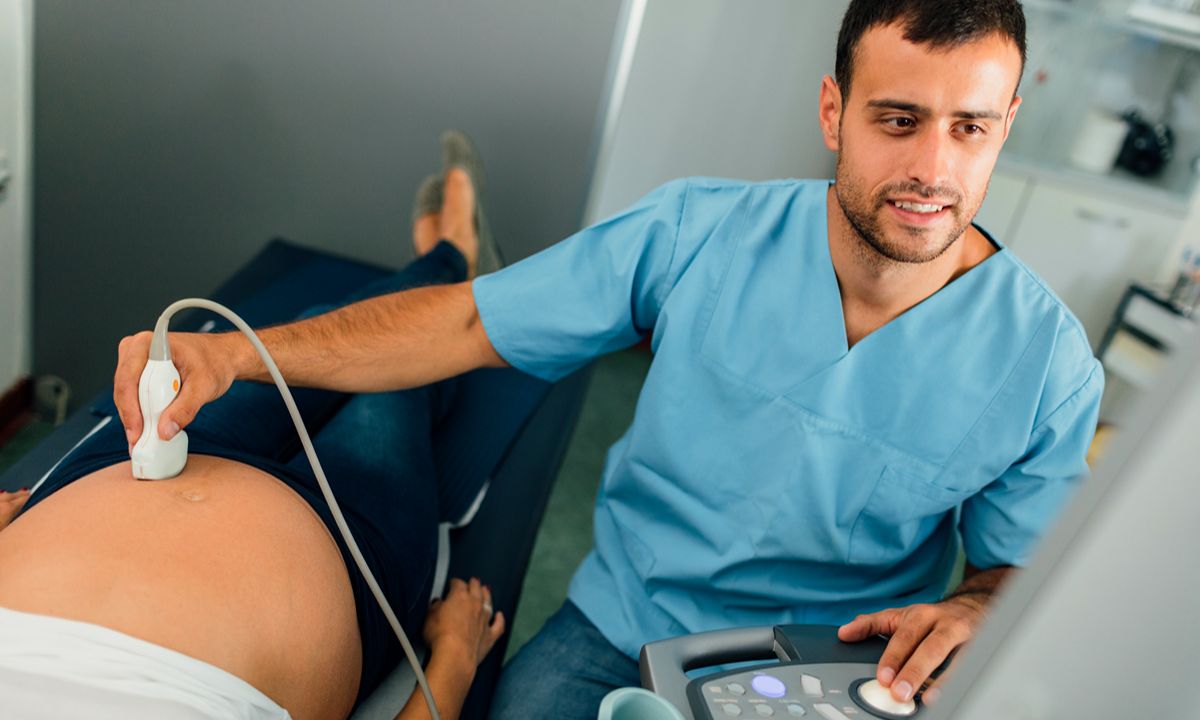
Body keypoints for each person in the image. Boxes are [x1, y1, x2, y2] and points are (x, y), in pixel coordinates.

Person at [114, 2, 1104, 717]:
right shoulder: (695, 234)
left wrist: (978, 610)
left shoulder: (1047, 366)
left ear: (1006, 126)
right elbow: (464, 327)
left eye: (969, 128)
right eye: (899, 121)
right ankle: (452, 232)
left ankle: (449, 225)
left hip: (835, 668)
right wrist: (239, 355)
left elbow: (1015, 572)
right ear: (833, 112)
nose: (934, 168)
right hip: (630, 616)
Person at [0, 150, 506, 720]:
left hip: (140, 454)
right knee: (398, 381)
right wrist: (455, 663)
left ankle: (446, 258)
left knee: (297, 340)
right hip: (342, 549)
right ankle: (454, 256)